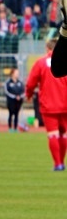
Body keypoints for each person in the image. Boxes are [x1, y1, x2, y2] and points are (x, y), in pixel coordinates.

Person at [25, 38, 67, 171]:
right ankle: (62, 162)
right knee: (64, 134)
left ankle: (58, 164)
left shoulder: (41, 63)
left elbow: (31, 82)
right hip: (65, 104)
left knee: (53, 134)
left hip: (49, 104)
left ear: (48, 49)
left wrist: (29, 94)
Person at [4, 68, 24, 132]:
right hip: (11, 101)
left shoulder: (20, 82)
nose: (17, 74)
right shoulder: (8, 82)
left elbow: (23, 90)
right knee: (11, 114)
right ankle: (10, 128)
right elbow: (7, 91)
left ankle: (15, 128)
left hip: (18, 101)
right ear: (12, 74)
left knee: (16, 114)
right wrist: (14, 96)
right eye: (16, 73)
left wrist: (20, 96)